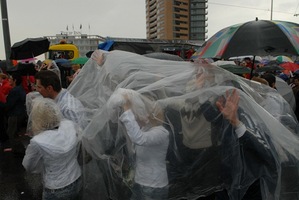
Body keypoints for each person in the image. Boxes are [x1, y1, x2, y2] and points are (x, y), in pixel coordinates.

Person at [22, 98, 82, 200]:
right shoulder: (69, 125)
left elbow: (28, 165)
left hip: (56, 187)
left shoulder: (38, 141)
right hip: (76, 178)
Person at [117, 89, 169, 200]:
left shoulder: (161, 133)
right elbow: (133, 128)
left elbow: (138, 138)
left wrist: (127, 108)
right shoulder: (146, 128)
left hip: (153, 186)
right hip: (140, 182)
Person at [0, 73, 27, 153]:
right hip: (20, 113)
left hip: (15, 114)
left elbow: (9, 105)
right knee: (14, 132)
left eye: (11, 79)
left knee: (11, 133)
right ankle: (16, 148)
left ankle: (19, 150)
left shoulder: (14, 90)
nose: (9, 80)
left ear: (15, 80)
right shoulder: (19, 89)